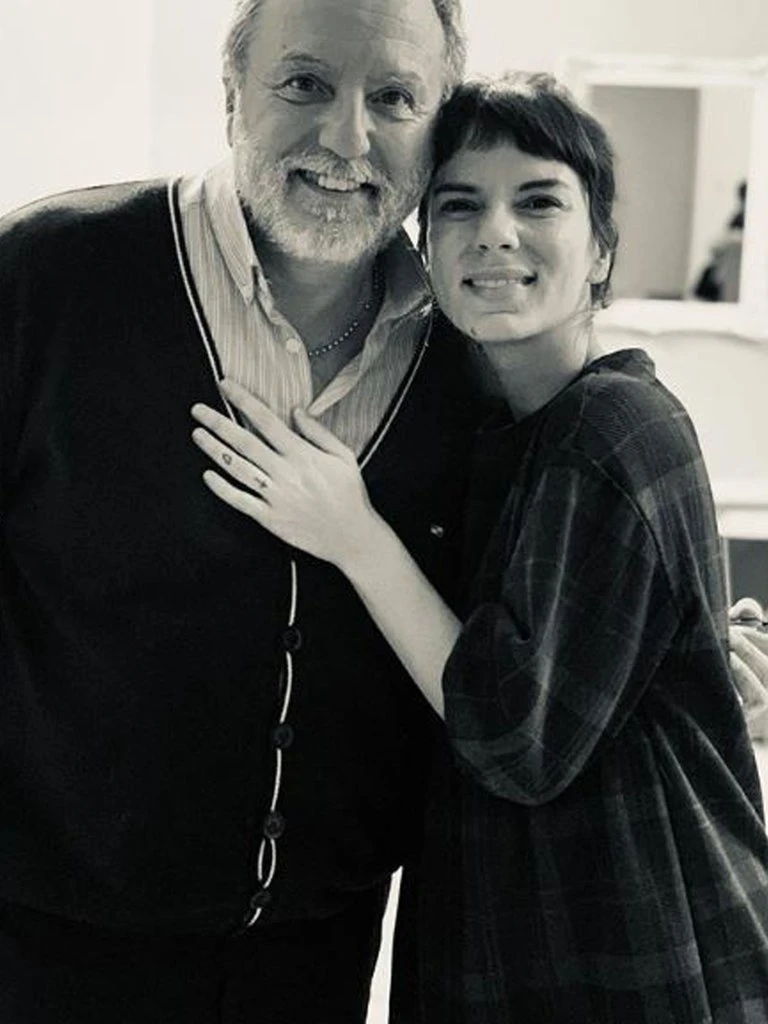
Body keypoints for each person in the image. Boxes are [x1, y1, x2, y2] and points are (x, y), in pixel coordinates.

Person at [191, 73, 768, 1022]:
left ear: (601, 250)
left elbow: (514, 739)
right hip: (512, 937)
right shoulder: (497, 431)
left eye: (538, 201)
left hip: (630, 949)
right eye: (460, 205)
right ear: (425, 250)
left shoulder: (612, 426)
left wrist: (353, 534)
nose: (496, 232)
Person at [0, 0, 481, 1021]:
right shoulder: (46, 273)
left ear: (439, 127)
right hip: (42, 949)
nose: (347, 137)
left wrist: (680, 648)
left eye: (394, 98)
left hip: (317, 957)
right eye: (305, 83)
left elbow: (512, 605)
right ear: (230, 97)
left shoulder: (467, 353)